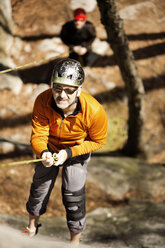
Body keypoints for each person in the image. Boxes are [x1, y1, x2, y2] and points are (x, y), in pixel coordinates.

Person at [23, 58, 107, 245]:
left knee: (73, 194)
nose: (62, 95)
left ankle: (74, 241)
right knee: (39, 187)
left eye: (69, 90)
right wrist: (43, 152)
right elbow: (38, 135)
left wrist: (69, 153)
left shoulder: (94, 111)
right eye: (57, 88)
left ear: (79, 90)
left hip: (77, 151)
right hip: (50, 147)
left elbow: (98, 140)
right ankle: (31, 228)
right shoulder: (43, 101)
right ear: (52, 86)